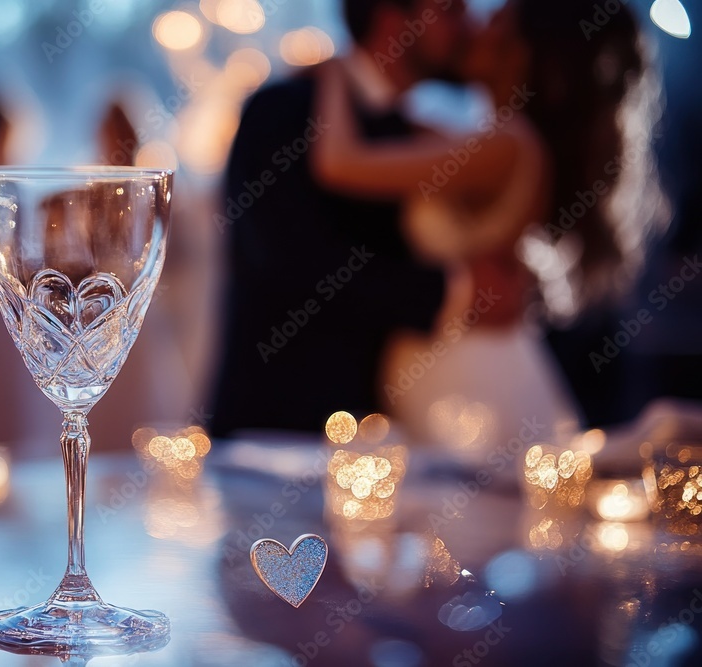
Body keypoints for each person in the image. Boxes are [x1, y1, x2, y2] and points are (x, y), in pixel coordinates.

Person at [309, 0, 664, 454]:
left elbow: (340, 162)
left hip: (469, 373)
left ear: (518, 55)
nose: (471, 30)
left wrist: (335, 73)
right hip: (459, 357)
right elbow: (407, 134)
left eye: (491, 27)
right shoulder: (493, 143)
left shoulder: (505, 147)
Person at [208, 0, 466, 436]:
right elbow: (287, 260)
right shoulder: (283, 109)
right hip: (274, 431)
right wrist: (452, 290)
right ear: (391, 20)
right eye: (450, 11)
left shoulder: (416, 136)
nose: (467, 25)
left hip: (381, 436)